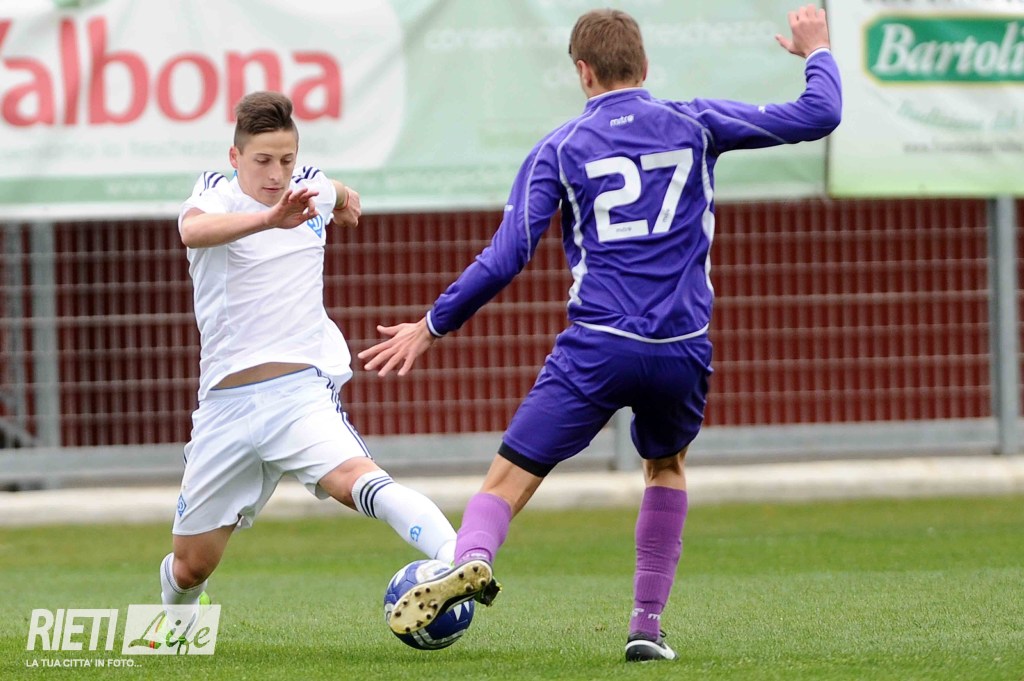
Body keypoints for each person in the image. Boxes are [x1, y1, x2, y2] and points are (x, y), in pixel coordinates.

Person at [358, 5, 841, 663]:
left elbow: (507, 255)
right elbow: (820, 114)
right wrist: (817, 51)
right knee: (665, 467)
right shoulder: (696, 123)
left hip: (598, 347)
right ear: (645, 65)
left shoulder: (559, 148)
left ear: (583, 72)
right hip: (680, 347)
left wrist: (432, 325)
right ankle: (646, 626)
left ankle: (472, 557)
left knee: (504, 483)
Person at [160, 91, 459, 617]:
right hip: (225, 407)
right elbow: (191, 230)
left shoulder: (309, 189)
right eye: (262, 160)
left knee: (356, 479)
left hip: (298, 395)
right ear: (235, 158)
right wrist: (269, 219)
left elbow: (338, 192)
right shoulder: (217, 196)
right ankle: (176, 622)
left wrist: (345, 201)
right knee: (191, 566)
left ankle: (460, 561)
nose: (276, 174)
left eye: (286, 159)